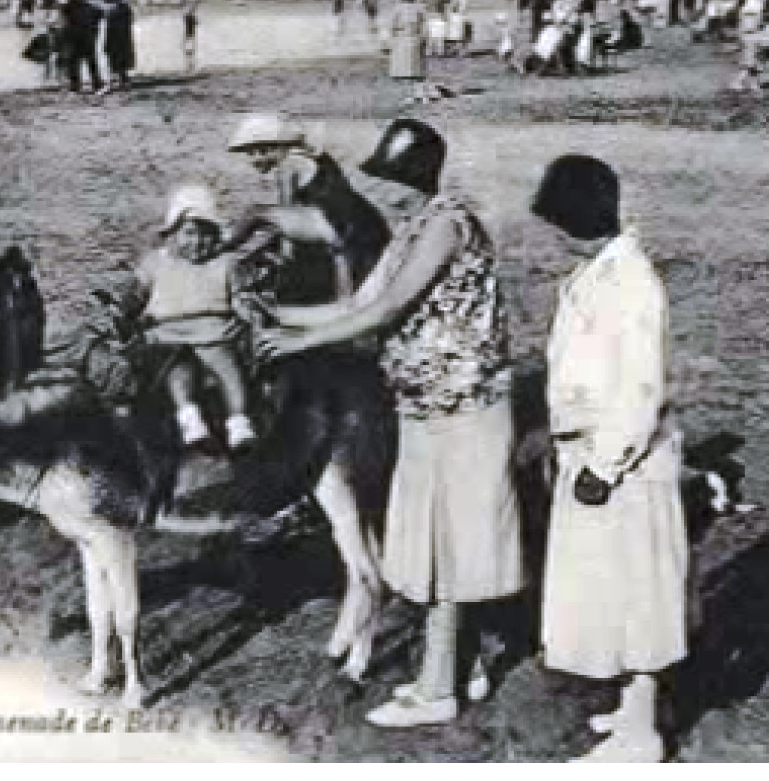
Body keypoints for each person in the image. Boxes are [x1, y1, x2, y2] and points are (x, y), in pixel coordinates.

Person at [257, 119, 524, 729]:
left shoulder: (447, 225)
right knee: (434, 541)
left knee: (451, 546)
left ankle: (437, 689)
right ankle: (463, 667)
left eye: (398, 180)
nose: (391, 193)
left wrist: (300, 343)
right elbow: (354, 303)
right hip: (426, 405)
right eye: (385, 180)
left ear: (423, 177)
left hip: (465, 405)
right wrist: (275, 317)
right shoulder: (411, 229)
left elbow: (385, 310)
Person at [528, 155, 686, 762]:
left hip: (624, 465)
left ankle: (643, 732)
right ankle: (631, 703)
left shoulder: (632, 283)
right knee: (603, 590)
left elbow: (640, 386)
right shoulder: (599, 272)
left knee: (636, 592)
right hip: (586, 452)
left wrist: (608, 465)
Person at [136, 185, 256, 451]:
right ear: (173, 235)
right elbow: (137, 296)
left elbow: (240, 297)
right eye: (189, 233)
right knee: (177, 368)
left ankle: (238, 420)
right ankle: (189, 417)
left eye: (206, 235)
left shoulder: (226, 263)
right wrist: (129, 314)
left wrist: (246, 312)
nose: (197, 242)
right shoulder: (156, 263)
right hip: (167, 334)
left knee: (227, 367)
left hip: (214, 333)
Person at [226, 113, 392, 304]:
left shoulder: (289, 165)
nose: (252, 160)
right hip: (361, 230)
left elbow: (287, 217)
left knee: (256, 212)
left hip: (343, 232)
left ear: (266, 148)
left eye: (253, 153)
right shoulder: (310, 157)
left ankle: (224, 246)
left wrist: (283, 259)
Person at [389, 0, 429, 103]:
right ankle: (419, 93)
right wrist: (423, 38)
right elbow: (424, 25)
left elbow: (392, 25)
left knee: (404, 70)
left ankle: (409, 95)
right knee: (416, 69)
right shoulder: (419, 8)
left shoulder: (398, 9)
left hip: (403, 40)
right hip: (415, 39)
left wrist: (392, 37)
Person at [62, 0, 105, 94]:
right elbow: (100, 16)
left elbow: (64, 20)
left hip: (76, 39)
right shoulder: (92, 8)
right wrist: (94, 30)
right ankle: (96, 84)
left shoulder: (68, 8)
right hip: (87, 38)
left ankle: (76, 85)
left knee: (74, 62)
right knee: (90, 62)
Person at [103, 0, 136, 93]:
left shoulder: (116, 10)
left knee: (117, 60)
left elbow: (111, 27)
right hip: (121, 38)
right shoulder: (124, 9)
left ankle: (122, 81)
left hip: (117, 39)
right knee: (120, 61)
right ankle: (123, 80)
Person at [182, 0, 200, 74]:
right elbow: (197, 23)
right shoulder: (192, 17)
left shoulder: (187, 16)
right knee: (191, 50)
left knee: (188, 50)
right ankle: (190, 65)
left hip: (187, 33)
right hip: (191, 34)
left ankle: (189, 64)